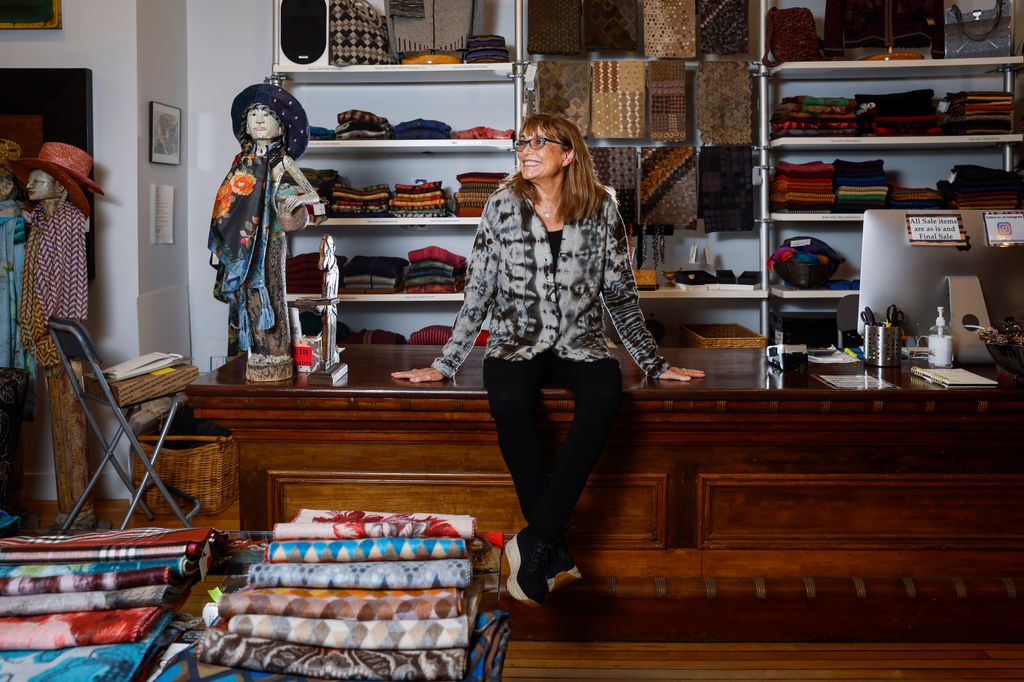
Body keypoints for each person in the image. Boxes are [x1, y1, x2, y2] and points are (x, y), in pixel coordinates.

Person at [392, 113, 705, 607]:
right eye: (523, 141)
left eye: (541, 142)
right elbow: (478, 291)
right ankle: (547, 544)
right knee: (511, 400)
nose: (527, 148)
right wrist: (447, 362)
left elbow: (620, 296)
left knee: (604, 393)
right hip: (516, 341)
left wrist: (653, 362)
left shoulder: (601, 208)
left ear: (568, 154)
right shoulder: (500, 206)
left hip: (581, 341)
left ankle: (534, 538)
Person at [11, 141, 105, 528]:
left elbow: (70, 283)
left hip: (62, 336)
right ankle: (70, 510)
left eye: (38, 178)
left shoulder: (68, 221)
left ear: (61, 187)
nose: (29, 184)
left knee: (70, 420)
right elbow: (35, 280)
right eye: (30, 178)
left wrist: (58, 331)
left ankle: (79, 513)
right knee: (61, 424)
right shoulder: (42, 221)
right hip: (45, 332)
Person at [208, 82, 325, 382]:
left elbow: (312, 198)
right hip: (243, 243)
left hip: (271, 242)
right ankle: (256, 353)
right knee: (249, 298)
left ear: (282, 126)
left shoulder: (282, 161)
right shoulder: (240, 163)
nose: (259, 119)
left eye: (267, 113)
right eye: (254, 113)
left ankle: (275, 354)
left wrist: (296, 207)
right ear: (245, 124)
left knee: (272, 294)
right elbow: (227, 204)